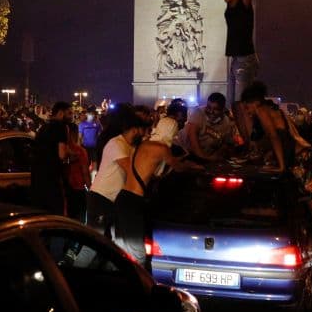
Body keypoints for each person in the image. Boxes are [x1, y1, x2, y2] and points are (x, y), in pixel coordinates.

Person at [114, 116, 200, 263]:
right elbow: (178, 168)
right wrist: (192, 165)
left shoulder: (143, 144)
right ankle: (141, 284)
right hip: (134, 202)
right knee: (138, 254)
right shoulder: (162, 148)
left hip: (122, 198)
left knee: (122, 251)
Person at [201, 0, 256, 104]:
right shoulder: (230, 5)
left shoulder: (244, 5)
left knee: (239, 105)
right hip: (237, 59)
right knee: (235, 103)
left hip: (245, 60)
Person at [88, 108, 147, 237]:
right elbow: (132, 170)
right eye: (143, 132)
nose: (144, 136)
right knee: (93, 243)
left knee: (110, 244)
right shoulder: (117, 144)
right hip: (101, 199)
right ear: (135, 129)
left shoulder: (130, 146)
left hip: (114, 200)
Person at [30, 101, 72, 215]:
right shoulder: (61, 127)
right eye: (69, 113)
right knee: (56, 211)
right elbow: (62, 154)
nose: (71, 116)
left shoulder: (44, 127)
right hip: (52, 175)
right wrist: (72, 154)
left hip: (37, 175)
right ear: (61, 113)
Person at [174, 92, 236, 162]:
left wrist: (218, 154)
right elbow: (192, 137)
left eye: (216, 109)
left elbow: (226, 143)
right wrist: (204, 157)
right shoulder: (198, 113)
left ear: (223, 109)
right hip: (182, 149)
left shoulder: (226, 122)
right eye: (209, 107)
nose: (211, 112)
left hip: (201, 155)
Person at [64, 127, 91, 222]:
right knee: (80, 219)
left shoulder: (62, 150)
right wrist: (89, 187)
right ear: (74, 134)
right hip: (78, 188)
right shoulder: (80, 151)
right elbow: (85, 172)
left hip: (65, 188)